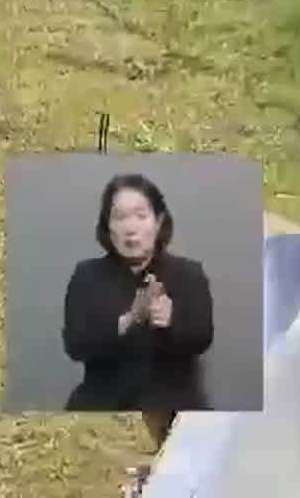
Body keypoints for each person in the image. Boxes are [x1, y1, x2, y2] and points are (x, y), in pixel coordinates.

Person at [63, 173, 214, 440]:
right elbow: (75, 345)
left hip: (174, 403)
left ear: (159, 222)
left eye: (141, 216)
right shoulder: (87, 275)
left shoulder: (188, 273)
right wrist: (127, 320)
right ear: (107, 227)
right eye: (119, 217)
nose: (130, 228)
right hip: (103, 402)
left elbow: (202, 337)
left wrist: (171, 320)